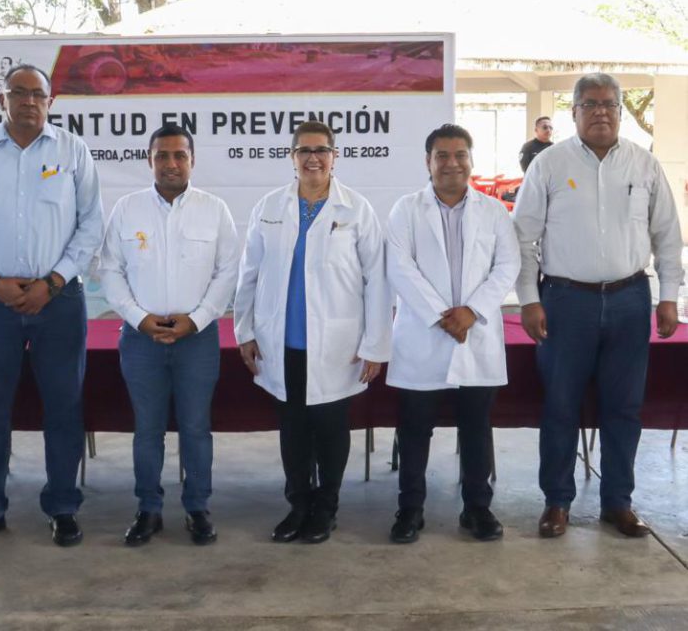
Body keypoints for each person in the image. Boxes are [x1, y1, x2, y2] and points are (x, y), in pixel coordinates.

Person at [514, 73, 683, 539]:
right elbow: (522, 238)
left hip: (631, 300)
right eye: (590, 104)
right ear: (573, 112)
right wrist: (529, 299)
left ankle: (618, 503)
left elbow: (667, 235)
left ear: (621, 112)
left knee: (624, 408)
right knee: (561, 405)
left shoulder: (644, 165)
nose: (601, 112)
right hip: (565, 301)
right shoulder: (548, 165)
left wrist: (669, 296)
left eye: (610, 104)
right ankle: (557, 502)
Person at [0, 64, 103, 548]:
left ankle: (63, 507)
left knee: (64, 407)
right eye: (19, 92)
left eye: (38, 94)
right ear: (2, 98)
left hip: (59, 300)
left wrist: (53, 281)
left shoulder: (72, 151)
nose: (29, 101)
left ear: (50, 102)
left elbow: (91, 225)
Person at [234, 121, 392, 544]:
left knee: (331, 427)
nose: (313, 158)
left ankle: (326, 508)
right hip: (282, 340)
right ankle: (298, 505)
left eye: (321, 150)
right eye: (304, 150)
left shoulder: (356, 210)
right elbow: (248, 273)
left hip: (339, 343)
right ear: (292, 157)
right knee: (293, 429)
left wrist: (375, 344)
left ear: (334, 157)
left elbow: (377, 281)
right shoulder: (269, 206)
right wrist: (244, 330)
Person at [98, 125, 239, 546]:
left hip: (197, 339)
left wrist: (196, 320)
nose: (171, 163)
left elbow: (228, 272)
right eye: (162, 155)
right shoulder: (127, 209)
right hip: (141, 339)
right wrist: (139, 318)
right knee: (147, 430)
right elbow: (110, 270)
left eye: (180, 155)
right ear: (150, 161)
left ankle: (197, 508)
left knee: (196, 428)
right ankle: (148, 509)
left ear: (192, 161)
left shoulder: (214, 210)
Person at [384, 124, 520, 544]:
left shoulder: (493, 211)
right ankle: (410, 509)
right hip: (424, 335)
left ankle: (477, 508)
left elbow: (507, 266)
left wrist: (471, 312)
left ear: (471, 161)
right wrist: (443, 316)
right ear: (428, 162)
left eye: (460, 155)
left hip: (474, 334)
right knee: (414, 430)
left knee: (476, 428)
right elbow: (399, 267)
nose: (452, 163)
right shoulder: (406, 209)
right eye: (442, 155)